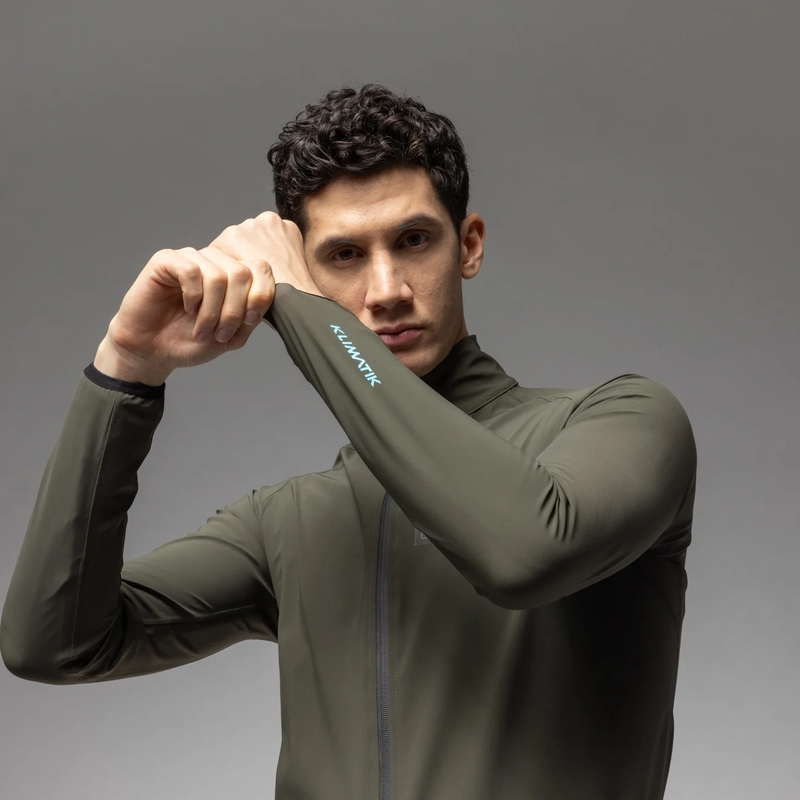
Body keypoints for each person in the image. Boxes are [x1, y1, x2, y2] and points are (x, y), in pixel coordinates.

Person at [0, 83, 697, 799]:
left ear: (469, 245)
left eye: (414, 240)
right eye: (342, 256)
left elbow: (525, 551)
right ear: (306, 271)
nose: (387, 289)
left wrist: (301, 309)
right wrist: (125, 368)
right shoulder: (291, 521)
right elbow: (53, 643)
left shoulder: (624, 421)